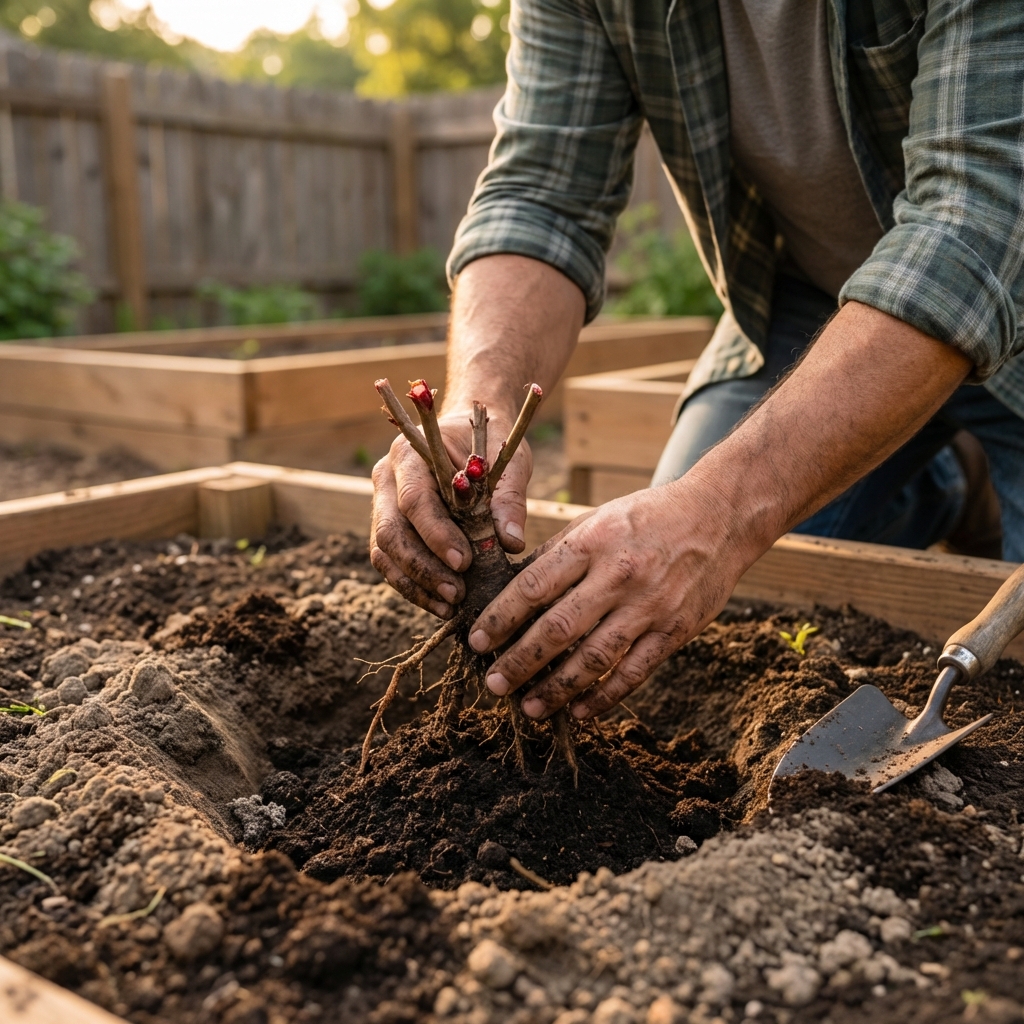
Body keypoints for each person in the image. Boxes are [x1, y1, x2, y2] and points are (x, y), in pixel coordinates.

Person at [370, 0, 1024, 724]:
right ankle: (952, 478)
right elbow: (540, 197)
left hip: (1003, 270)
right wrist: (476, 412)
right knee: (673, 607)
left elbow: (972, 225)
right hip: (825, 302)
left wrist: (722, 511)